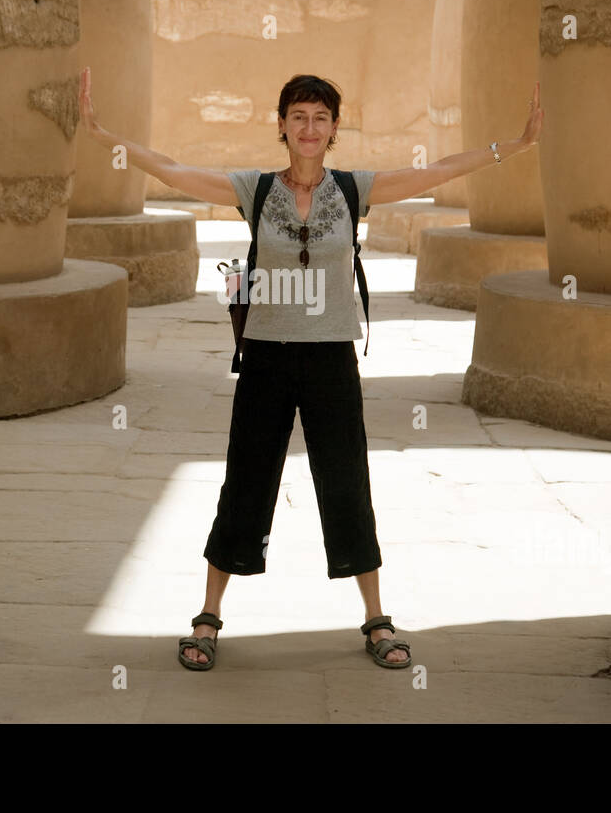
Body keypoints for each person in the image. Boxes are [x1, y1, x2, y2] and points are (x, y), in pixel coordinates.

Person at [77, 67, 543, 669]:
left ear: (334, 129)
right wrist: (99, 133)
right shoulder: (255, 188)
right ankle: (208, 616)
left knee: (346, 482)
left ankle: (376, 618)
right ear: (282, 125)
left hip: (330, 359)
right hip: (267, 358)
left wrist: (516, 145)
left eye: (321, 117)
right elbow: (173, 170)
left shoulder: (353, 189)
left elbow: (434, 172)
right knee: (246, 482)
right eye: (298, 115)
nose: (309, 126)